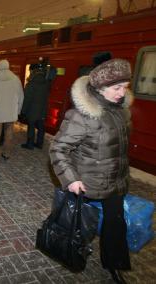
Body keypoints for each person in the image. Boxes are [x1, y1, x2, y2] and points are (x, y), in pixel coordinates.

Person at [49, 58, 132, 284]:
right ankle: (68, 250)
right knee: (73, 222)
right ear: (100, 88)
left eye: (125, 87)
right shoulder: (82, 116)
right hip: (86, 183)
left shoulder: (120, 111)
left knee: (115, 224)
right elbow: (58, 149)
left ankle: (115, 265)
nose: (122, 93)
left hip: (115, 181)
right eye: (116, 88)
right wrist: (71, 180)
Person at [20, 63, 51, 149]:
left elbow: (27, 99)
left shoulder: (31, 83)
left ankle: (30, 144)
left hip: (32, 110)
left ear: (33, 71)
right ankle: (39, 143)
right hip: (43, 109)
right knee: (41, 126)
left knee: (31, 126)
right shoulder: (46, 82)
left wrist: (23, 111)